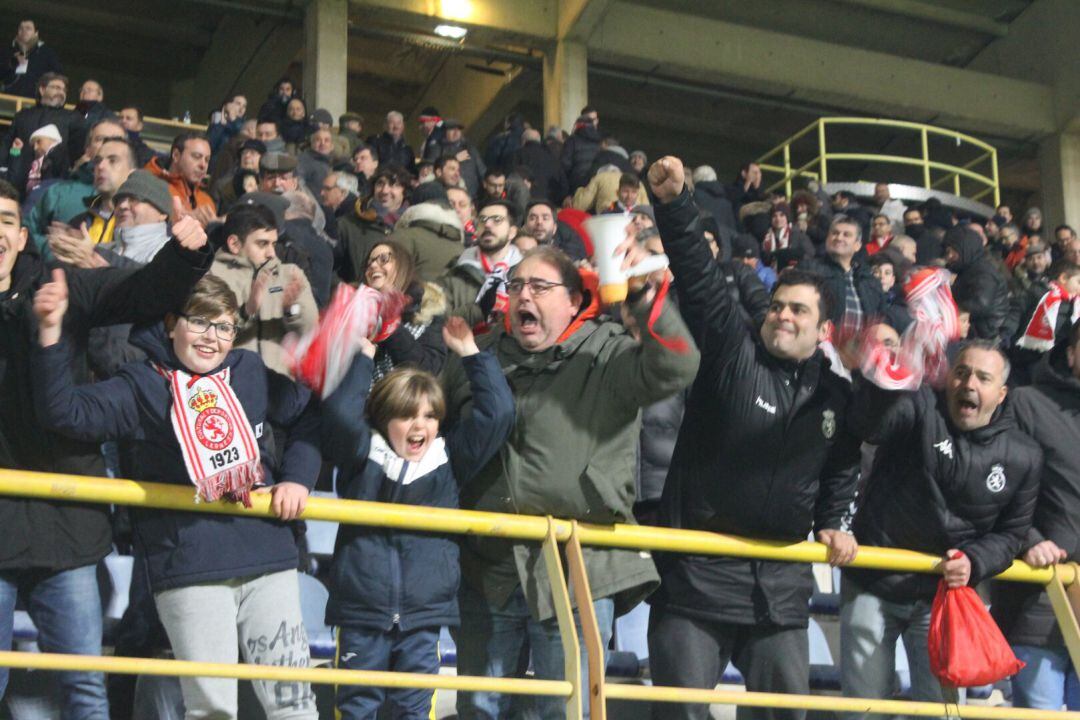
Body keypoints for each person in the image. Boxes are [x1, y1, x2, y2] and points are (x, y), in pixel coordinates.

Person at [32, 273, 320, 720]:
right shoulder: (141, 384)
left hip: (269, 560)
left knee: (295, 707)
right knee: (212, 711)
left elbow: (306, 415)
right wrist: (50, 334)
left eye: (224, 326)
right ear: (171, 325)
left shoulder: (246, 371)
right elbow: (64, 413)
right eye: (200, 322)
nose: (212, 338)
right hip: (191, 569)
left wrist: (298, 477)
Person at [642, 156, 860, 720]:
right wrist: (675, 205)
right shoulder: (732, 349)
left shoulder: (836, 396)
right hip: (696, 579)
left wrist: (835, 518)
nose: (782, 316)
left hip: (781, 590)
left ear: (823, 331)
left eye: (798, 310)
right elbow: (698, 276)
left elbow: (841, 465)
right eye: (778, 305)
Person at [444, 241, 699, 720]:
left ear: (574, 301)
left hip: (579, 566)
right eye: (516, 286)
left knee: (567, 712)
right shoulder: (477, 355)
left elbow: (678, 365)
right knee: (479, 710)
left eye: (540, 287)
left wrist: (644, 300)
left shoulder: (609, 353)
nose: (524, 297)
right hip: (488, 567)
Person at [0, 179, 212, 716]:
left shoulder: (61, 283)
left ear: (22, 237)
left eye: (5, 221)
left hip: (66, 529)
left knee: (85, 689)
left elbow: (141, 292)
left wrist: (186, 255)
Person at [322, 316, 513, 719]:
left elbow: (497, 416)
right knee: (357, 709)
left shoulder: (448, 459)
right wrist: (364, 354)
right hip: (362, 611)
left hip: (424, 615)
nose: (419, 426)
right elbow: (339, 415)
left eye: (429, 416)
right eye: (407, 415)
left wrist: (471, 355)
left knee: (414, 710)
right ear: (382, 418)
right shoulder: (363, 452)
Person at [841, 340, 1042, 717]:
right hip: (873, 582)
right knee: (862, 710)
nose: (969, 384)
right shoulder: (919, 406)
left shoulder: (1023, 456)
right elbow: (868, 426)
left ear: (1001, 394)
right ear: (948, 377)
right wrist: (883, 379)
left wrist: (974, 561)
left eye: (983, 378)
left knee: (943, 713)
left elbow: (1012, 534)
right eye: (962, 372)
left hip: (944, 598)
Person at [993, 323, 1080, 711]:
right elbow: (996, 489)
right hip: (1040, 601)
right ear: (1072, 352)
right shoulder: (1027, 403)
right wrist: (1029, 540)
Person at [211, 204, 317, 377]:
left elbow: (311, 330)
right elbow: (209, 336)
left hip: (282, 387)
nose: (271, 253)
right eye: (262, 244)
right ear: (234, 244)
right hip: (231, 386)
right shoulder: (213, 277)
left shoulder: (290, 274)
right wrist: (247, 311)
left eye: (273, 244)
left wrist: (291, 310)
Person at [362, 240, 449, 382]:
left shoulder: (427, 312)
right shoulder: (356, 306)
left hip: (397, 400)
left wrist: (390, 324)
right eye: (369, 263)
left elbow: (426, 370)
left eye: (383, 259)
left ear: (402, 267)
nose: (373, 265)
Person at [440, 199, 524, 328]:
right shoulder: (455, 273)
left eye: (497, 220)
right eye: (483, 220)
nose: (488, 225)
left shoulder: (525, 275)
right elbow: (439, 327)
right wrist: (479, 310)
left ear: (512, 232)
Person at [801, 215, 889, 335]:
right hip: (821, 347)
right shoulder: (808, 269)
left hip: (859, 350)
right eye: (835, 233)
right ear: (827, 239)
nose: (839, 238)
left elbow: (881, 319)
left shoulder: (869, 279)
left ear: (857, 245)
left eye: (846, 235)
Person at [337, 165, 410, 284]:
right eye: (380, 184)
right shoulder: (348, 224)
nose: (385, 191)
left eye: (394, 185)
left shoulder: (411, 227)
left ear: (405, 191)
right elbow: (329, 267)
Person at [1, 71, 77, 180]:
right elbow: (9, 144)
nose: (61, 92)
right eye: (56, 87)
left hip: (54, 181)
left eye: (64, 90)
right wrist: (5, 166)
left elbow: (74, 151)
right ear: (42, 90)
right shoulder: (23, 115)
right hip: (19, 179)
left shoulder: (72, 117)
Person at [944, 224, 1009, 341]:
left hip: (984, 336)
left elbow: (980, 304)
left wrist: (949, 311)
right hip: (976, 333)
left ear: (965, 248)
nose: (949, 256)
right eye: (947, 252)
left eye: (952, 251)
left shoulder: (983, 271)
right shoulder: (969, 268)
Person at [146, 131, 217, 224]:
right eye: (196, 156)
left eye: (207, 160)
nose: (203, 165)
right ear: (176, 155)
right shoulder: (150, 187)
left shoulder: (207, 201)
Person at [4, 19, 61, 98]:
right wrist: (12, 63)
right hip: (8, 100)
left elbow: (57, 76)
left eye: (28, 28)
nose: (24, 31)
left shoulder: (46, 53)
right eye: (21, 28)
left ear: (36, 33)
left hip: (35, 102)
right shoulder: (8, 51)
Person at [561, 108, 601, 194]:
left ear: (577, 126)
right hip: (595, 182)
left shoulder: (572, 140)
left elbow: (565, 165)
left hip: (576, 182)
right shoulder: (600, 141)